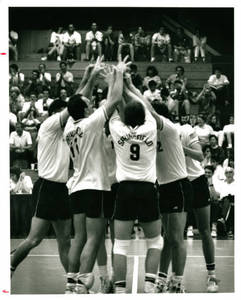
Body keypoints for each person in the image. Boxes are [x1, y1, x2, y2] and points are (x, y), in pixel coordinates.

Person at [64, 57, 128, 294]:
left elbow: (78, 98)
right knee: (95, 237)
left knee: (79, 238)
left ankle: (70, 283)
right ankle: (83, 283)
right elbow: (113, 100)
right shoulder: (91, 123)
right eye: (88, 103)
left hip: (76, 188)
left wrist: (90, 77)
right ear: (85, 109)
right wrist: (117, 75)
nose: (91, 102)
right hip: (94, 187)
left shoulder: (70, 127)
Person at [109, 74, 162, 294]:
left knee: (120, 244)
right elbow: (147, 106)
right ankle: (149, 286)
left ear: (123, 117)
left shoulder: (117, 129)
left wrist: (116, 78)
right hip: (147, 188)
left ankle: (120, 290)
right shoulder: (150, 127)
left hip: (125, 189)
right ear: (142, 116)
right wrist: (130, 85)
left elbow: (111, 101)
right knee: (155, 242)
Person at [11, 99, 72, 280]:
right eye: (63, 112)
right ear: (56, 113)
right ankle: (9, 266)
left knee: (65, 242)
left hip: (61, 189)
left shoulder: (65, 131)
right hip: (46, 187)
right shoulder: (49, 124)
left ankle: (73, 283)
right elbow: (73, 105)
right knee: (34, 239)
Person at [148, 101, 192, 293]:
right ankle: (162, 278)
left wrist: (130, 86)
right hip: (164, 187)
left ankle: (178, 282)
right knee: (166, 238)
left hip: (178, 186)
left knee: (176, 237)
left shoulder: (168, 127)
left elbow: (148, 110)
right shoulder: (150, 132)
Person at [178, 119, 219, 292]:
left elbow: (200, 156)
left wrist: (179, 148)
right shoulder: (157, 133)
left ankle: (212, 276)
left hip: (196, 181)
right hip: (177, 183)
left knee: (204, 230)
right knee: (176, 234)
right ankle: (177, 280)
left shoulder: (185, 129)